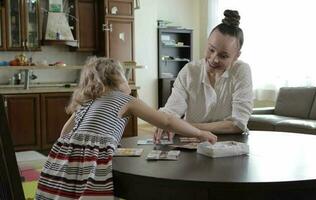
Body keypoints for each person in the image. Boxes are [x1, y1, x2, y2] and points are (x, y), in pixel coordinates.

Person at [35, 57, 217, 199]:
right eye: (125, 77)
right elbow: (166, 121)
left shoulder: (86, 102)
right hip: (90, 165)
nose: (128, 81)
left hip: (60, 164)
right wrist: (200, 133)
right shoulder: (126, 100)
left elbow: (64, 134)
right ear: (116, 79)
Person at [154, 9, 253, 143]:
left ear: (236, 56)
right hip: (191, 142)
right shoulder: (189, 71)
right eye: (211, 49)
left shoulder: (241, 71)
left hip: (228, 144)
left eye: (223, 56)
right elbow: (172, 110)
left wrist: (188, 128)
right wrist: (165, 120)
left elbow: (238, 124)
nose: (213, 59)